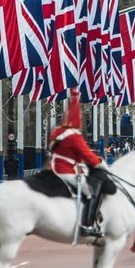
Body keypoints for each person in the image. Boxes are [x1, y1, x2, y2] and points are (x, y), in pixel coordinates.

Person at [49, 91, 115, 238]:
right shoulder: (74, 136)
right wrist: (103, 165)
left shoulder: (58, 132)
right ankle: (86, 225)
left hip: (56, 166)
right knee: (90, 193)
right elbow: (90, 158)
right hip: (65, 169)